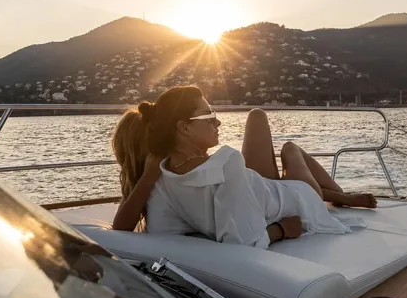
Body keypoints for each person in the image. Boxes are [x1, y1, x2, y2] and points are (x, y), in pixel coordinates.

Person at [114, 85, 376, 247]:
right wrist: (281, 230)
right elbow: (245, 242)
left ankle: (339, 196)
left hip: (262, 187)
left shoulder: (162, 176)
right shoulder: (225, 163)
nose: (218, 122)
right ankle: (332, 194)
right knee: (290, 150)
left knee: (257, 117)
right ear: (183, 127)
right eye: (210, 116)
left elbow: (163, 233)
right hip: (302, 198)